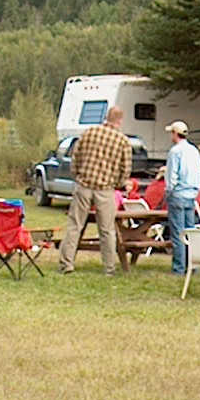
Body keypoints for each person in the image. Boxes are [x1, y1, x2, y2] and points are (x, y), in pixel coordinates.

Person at [59, 106, 132, 276]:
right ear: (120, 121)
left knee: (75, 225)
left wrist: (77, 175)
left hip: (84, 185)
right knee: (106, 230)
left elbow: (75, 156)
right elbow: (126, 168)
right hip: (105, 189)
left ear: (107, 117)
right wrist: (117, 183)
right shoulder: (122, 141)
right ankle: (109, 268)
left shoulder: (89, 133)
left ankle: (66, 264)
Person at [164, 120, 200, 275]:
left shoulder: (175, 152)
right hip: (191, 195)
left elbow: (172, 175)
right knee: (189, 232)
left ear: (175, 134)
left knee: (178, 233)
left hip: (178, 194)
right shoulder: (194, 151)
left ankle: (179, 267)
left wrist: (168, 192)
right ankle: (192, 265)